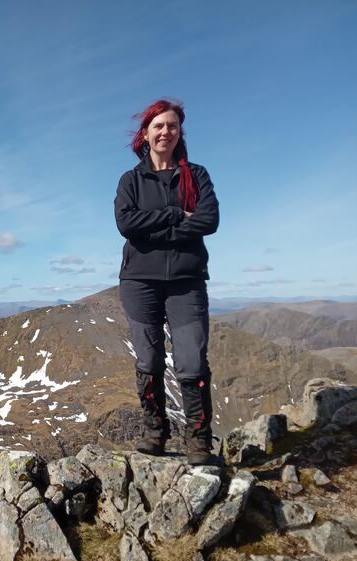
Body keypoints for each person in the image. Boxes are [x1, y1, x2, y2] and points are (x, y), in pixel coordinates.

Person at [113, 98, 219, 465]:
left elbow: (208, 221)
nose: (165, 131)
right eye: (158, 125)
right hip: (140, 282)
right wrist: (175, 215)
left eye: (172, 126)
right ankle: (155, 433)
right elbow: (127, 224)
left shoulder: (197, 176)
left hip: (186, 281)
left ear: (179, 133)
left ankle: (199, 440)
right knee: (149, 358)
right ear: (146, 133)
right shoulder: (131, 180)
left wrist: (154, 227)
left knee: (191, 359)